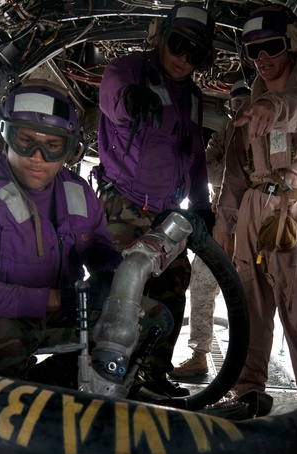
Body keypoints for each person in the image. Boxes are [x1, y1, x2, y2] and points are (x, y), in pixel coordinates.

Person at [0, 81, 128, 385]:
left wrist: (116, 274)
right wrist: (58, 299)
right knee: (3, 340)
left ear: (70, 149)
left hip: (54, 311)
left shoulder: (79, 193)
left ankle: (54, 393)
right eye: (25, 140)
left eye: (52, 146)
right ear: (2, 135)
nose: (37, 156)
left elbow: (100, 253)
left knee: (142, 319)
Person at [214, 5, 297, 399]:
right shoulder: (247, 107)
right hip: (254, 209)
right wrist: (224, 224)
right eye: (254, 51)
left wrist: (275, 108)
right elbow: (235, 173)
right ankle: (246, 395)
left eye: (271, 47)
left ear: (292, 45)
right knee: (248, 311)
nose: (263, 58)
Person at [96, 2, 216, 398]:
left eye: (194, 53)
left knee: (173, 284)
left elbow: (196, 157)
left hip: (167, 214)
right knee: (115, 287)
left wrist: (201, 206)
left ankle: (152, 375)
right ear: (161, 38)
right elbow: (111, 93)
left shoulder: (194, 98)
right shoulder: (129, 70)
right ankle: (101, 369)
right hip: (123, 205)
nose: (183, 58)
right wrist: (131, 100)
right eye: (178, 44)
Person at [170, 78, 251, 379]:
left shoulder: (264, 133)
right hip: (218, 221)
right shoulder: (221, 137)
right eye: (235, 103)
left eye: (245, 101)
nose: (239, 108)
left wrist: (232, 174)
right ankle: (199, 354)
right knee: (202, 287)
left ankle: (248, 363)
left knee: (251, 293)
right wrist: (237, 173)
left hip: (253, 223)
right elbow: (207, 170)